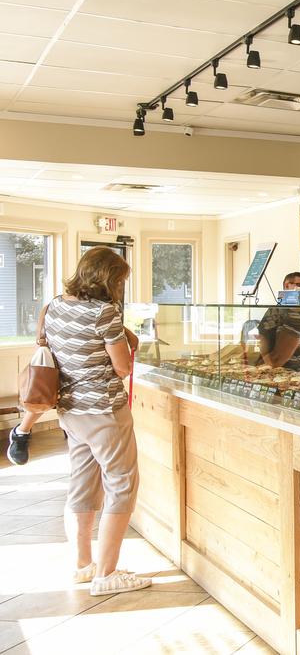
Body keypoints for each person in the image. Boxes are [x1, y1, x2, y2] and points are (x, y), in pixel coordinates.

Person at [45, 246, 153, 596]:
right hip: (104, 411)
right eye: (120, 280)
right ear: (109, 279)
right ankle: (107, 574)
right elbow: (122, 367)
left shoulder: (54, 306)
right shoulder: (104, 312)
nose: (122, 287)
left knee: (81, 486)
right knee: (121, 486)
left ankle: (83, 565)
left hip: (70, 410)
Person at [256, 271, 300, 373]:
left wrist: (267, 365)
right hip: (282, 371)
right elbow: (263, 337)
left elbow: (280, 357)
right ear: (287, 286)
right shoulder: (276, 310)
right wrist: (267, 364)